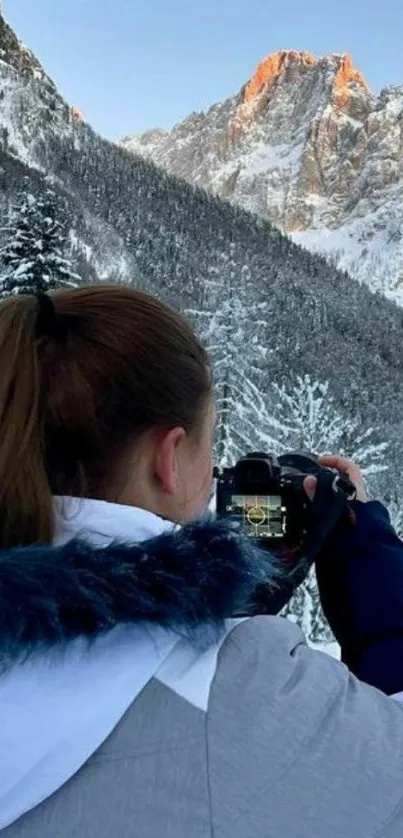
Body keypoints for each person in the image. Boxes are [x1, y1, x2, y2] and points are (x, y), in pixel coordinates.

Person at [0, 284, 403, 838]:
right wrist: (372, 568)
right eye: (208, 450)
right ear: (167, 459)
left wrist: (204, 602)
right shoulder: (241, 695)